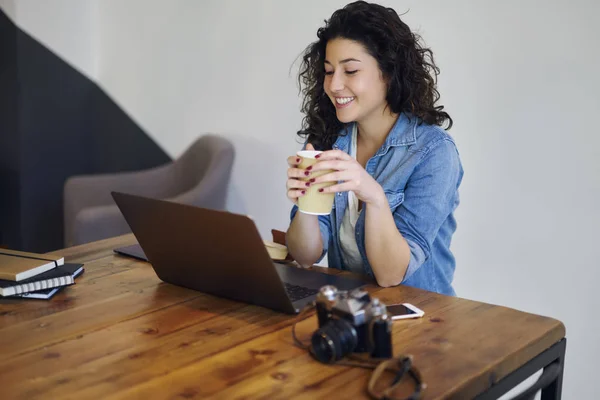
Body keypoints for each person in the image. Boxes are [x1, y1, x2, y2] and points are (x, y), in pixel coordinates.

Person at [285, 1, 463, 296]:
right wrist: (305, 203)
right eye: (329, 71)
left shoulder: (434, 153)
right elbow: (305, 256)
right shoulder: (331, 140)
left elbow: (391, 274)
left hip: (422, 320)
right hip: (350, 311)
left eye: (350, 71)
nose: (335, 85)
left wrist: (375, 197)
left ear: (388, 73)